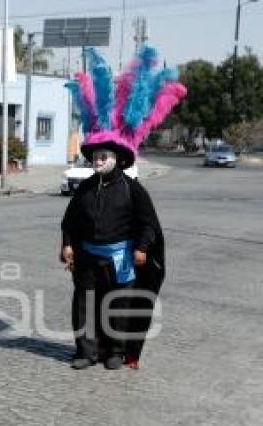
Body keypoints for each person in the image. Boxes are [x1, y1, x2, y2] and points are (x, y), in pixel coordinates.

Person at [61, 46, 185, 370]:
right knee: (85, 305)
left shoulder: (133, 190)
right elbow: (69, 222)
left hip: (122, 258)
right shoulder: (85, 189)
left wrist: (143, 248)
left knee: (118, 306)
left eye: (105, 156)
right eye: (96, 156)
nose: (99, 161)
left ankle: (115, 352)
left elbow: (148, 224)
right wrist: (67, 246)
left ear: (117, 158)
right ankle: (86, 352)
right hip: (88, 257)